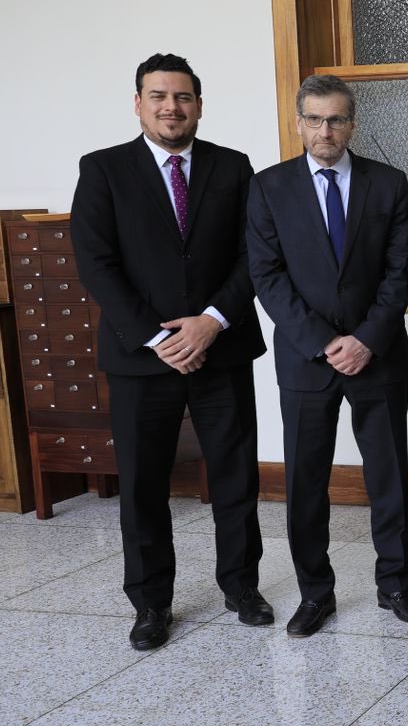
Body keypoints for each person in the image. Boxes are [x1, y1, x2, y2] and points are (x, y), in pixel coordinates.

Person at [72, 53, 269, 650]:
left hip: (220, 348)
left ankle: (241, 586)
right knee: (142, 485)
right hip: (141, 358)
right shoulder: (104, 169)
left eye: (182, 97)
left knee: (236, 476)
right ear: (138, 104)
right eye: (158, 96)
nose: (171, 107)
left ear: (199, 106)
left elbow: (254, 253)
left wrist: (211, 321)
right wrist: (159, 338)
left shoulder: (233, 167)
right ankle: (151, 603)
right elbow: (96, 263)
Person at [246, 73, 408, 637]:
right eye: (315, 119)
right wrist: (324, 343)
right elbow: (267, 276)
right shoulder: (269, 187)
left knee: (389, 477)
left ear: (352, 123)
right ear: (299, 123)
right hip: (306, 360)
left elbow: (401, 271)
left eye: (337, 119)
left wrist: (366, 338)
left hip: (379, 354)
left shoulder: (389, 183)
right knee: (305, 481)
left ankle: (394, 585)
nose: (326, 130)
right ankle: (314, 594)